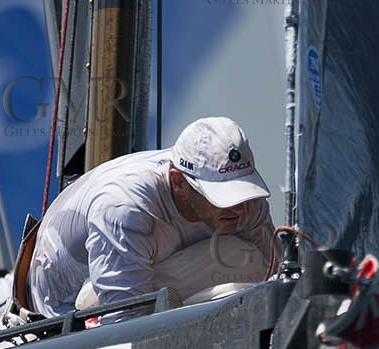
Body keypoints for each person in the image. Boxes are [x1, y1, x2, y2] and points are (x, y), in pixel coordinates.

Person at [20, 116, 276, 321]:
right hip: (63, 308)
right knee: (238, 259)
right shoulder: (124, 206)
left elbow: (274, 276)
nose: (239, 208)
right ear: (178, 182)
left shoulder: (248, 202)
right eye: (221, 196)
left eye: (241, 190)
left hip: (149, 269)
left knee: (253, 261)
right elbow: (121, 322)